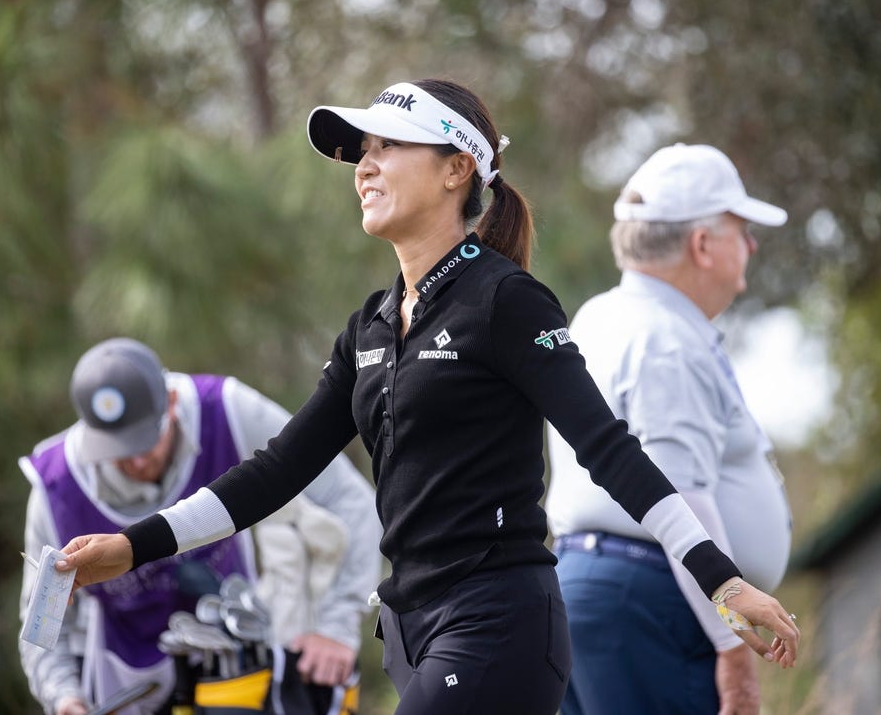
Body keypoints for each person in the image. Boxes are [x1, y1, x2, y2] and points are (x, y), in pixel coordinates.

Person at [53, 81, 800, 715]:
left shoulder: (507, 301)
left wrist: (721, 579)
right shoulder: (370, 327)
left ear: (454, 170)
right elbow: (275, 471)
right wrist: (131, 545)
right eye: (359, 153)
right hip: (410, 631)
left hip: (499, 619)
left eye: (385, 147)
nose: (363, 166)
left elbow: (608, 449)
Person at [546, 142, 794, 715]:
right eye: (741, 229)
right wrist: (731, 645)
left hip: (600, 589)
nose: (751, 246)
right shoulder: (666, 341)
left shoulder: (605, 315)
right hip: (649, 602)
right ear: (702, 244)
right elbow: (683, 499)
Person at [19, 337, 381, 715]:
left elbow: (350, 500)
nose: (136, 462)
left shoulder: (225, 410)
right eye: (118, 450)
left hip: (236, 675)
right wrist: (64, 699)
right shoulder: (56, 484)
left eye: (144, 443)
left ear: (171, 403)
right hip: (121, 686)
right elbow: (43, 621)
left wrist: (336, 626)